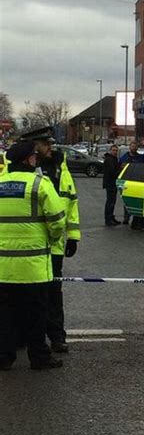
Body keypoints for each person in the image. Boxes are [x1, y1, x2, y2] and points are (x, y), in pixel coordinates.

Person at [0, 141, 66, 370]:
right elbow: (58, 221)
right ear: (29, 160)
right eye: (34, 157)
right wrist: (52, 239)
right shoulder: (40, 184)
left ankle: (4, 357)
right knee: (36, 314)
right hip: (33, 266)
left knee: (5, 314)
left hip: (3, 267)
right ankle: (38, 356)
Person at [22, 126, 81, 354]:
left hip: (54, 245)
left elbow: (71, 202)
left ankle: (56, 336)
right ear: (34, 146)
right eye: (46, 144)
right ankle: (23, 337)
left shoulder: (60, 167)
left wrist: (73, 236)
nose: (51, 147)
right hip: (30, 244)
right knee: (26, 293)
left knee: (53, 294)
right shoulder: (19, 169)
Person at [119, 139, 144, 224]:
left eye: (135, 146)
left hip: (137, 183)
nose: (134, 148)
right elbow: (119, 167)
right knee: (127, 201)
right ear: (130, 147)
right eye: (132, 146)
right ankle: (126, 218)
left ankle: (136, 220)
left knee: (137, 201)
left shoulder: (139, 157)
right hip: (127, 183)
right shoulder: (125, 157)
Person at [102, 144, 120, 226]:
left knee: (112, 201)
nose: (115, 152)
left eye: (116, 150)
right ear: (110, 150)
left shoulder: (114, 159)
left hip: (113, 183)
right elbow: (112, 172)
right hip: (110, 183)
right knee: (110, 202)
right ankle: (108, 219)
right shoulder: (109, 160)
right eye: (113, 150)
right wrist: (120, 170)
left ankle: (111, 217)